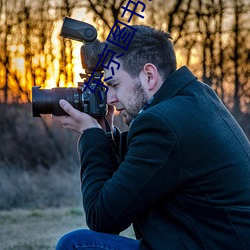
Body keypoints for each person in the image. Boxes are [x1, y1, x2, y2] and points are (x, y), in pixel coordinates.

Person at [53, 25, 250, 250]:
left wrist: (90, 135)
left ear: (149, 75)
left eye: (114, 85)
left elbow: (103, 219)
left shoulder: (162, 124)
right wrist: (105, 134)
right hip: (213, 240)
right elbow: (137, 174)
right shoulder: (195, 98)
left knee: (77, 244)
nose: (110, 98)